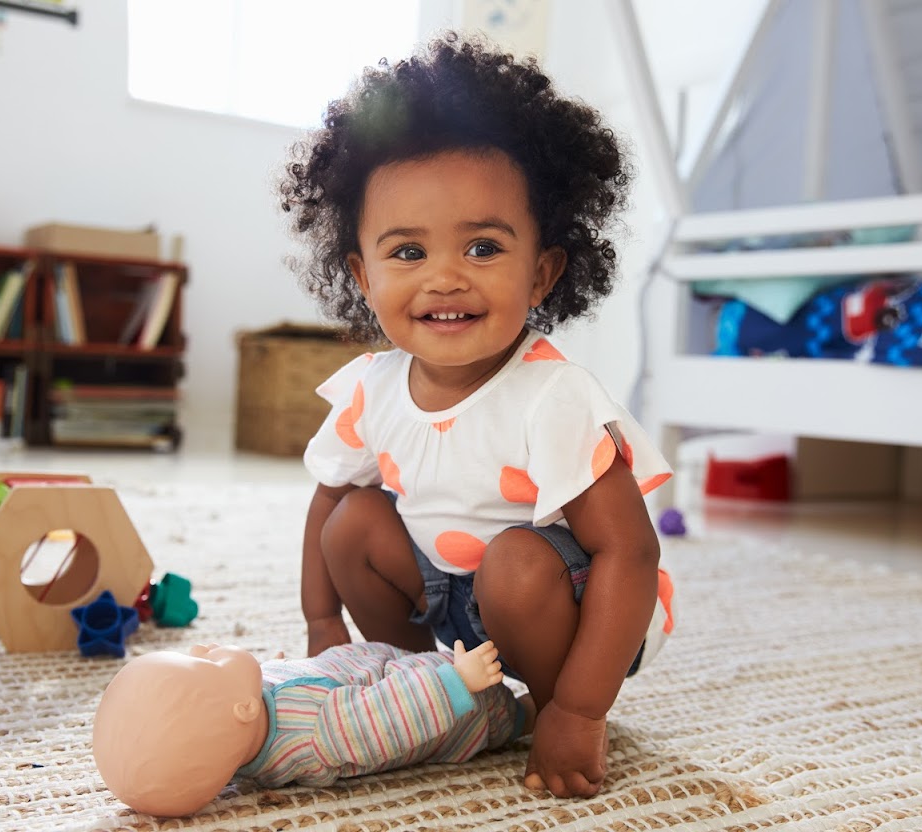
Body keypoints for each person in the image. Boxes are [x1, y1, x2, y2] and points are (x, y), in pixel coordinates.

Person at [279, 32, 676, 799]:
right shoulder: (373, 387)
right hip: (457, 597)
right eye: (406, 254)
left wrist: (582, 711)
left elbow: (630, 556)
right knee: (353, 522)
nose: (446, 278)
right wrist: (323, 629)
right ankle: (438, 686)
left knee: (517, 561)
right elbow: (329, 501)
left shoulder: (551, 396)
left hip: (573, 611)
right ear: (361, 275)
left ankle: (543, 704)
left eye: (485, 246)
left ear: (543, 272)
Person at [93, 640, 531, 817]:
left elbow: (268, 682)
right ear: (243, 709)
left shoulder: (241, 727)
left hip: (386, 662)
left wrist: (283, 671)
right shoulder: (321, 733)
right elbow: (392, 715)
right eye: (206, 660)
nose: (205, 646)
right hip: (465, 707)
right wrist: (459, 681)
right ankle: (535, 712)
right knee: (529, 710)